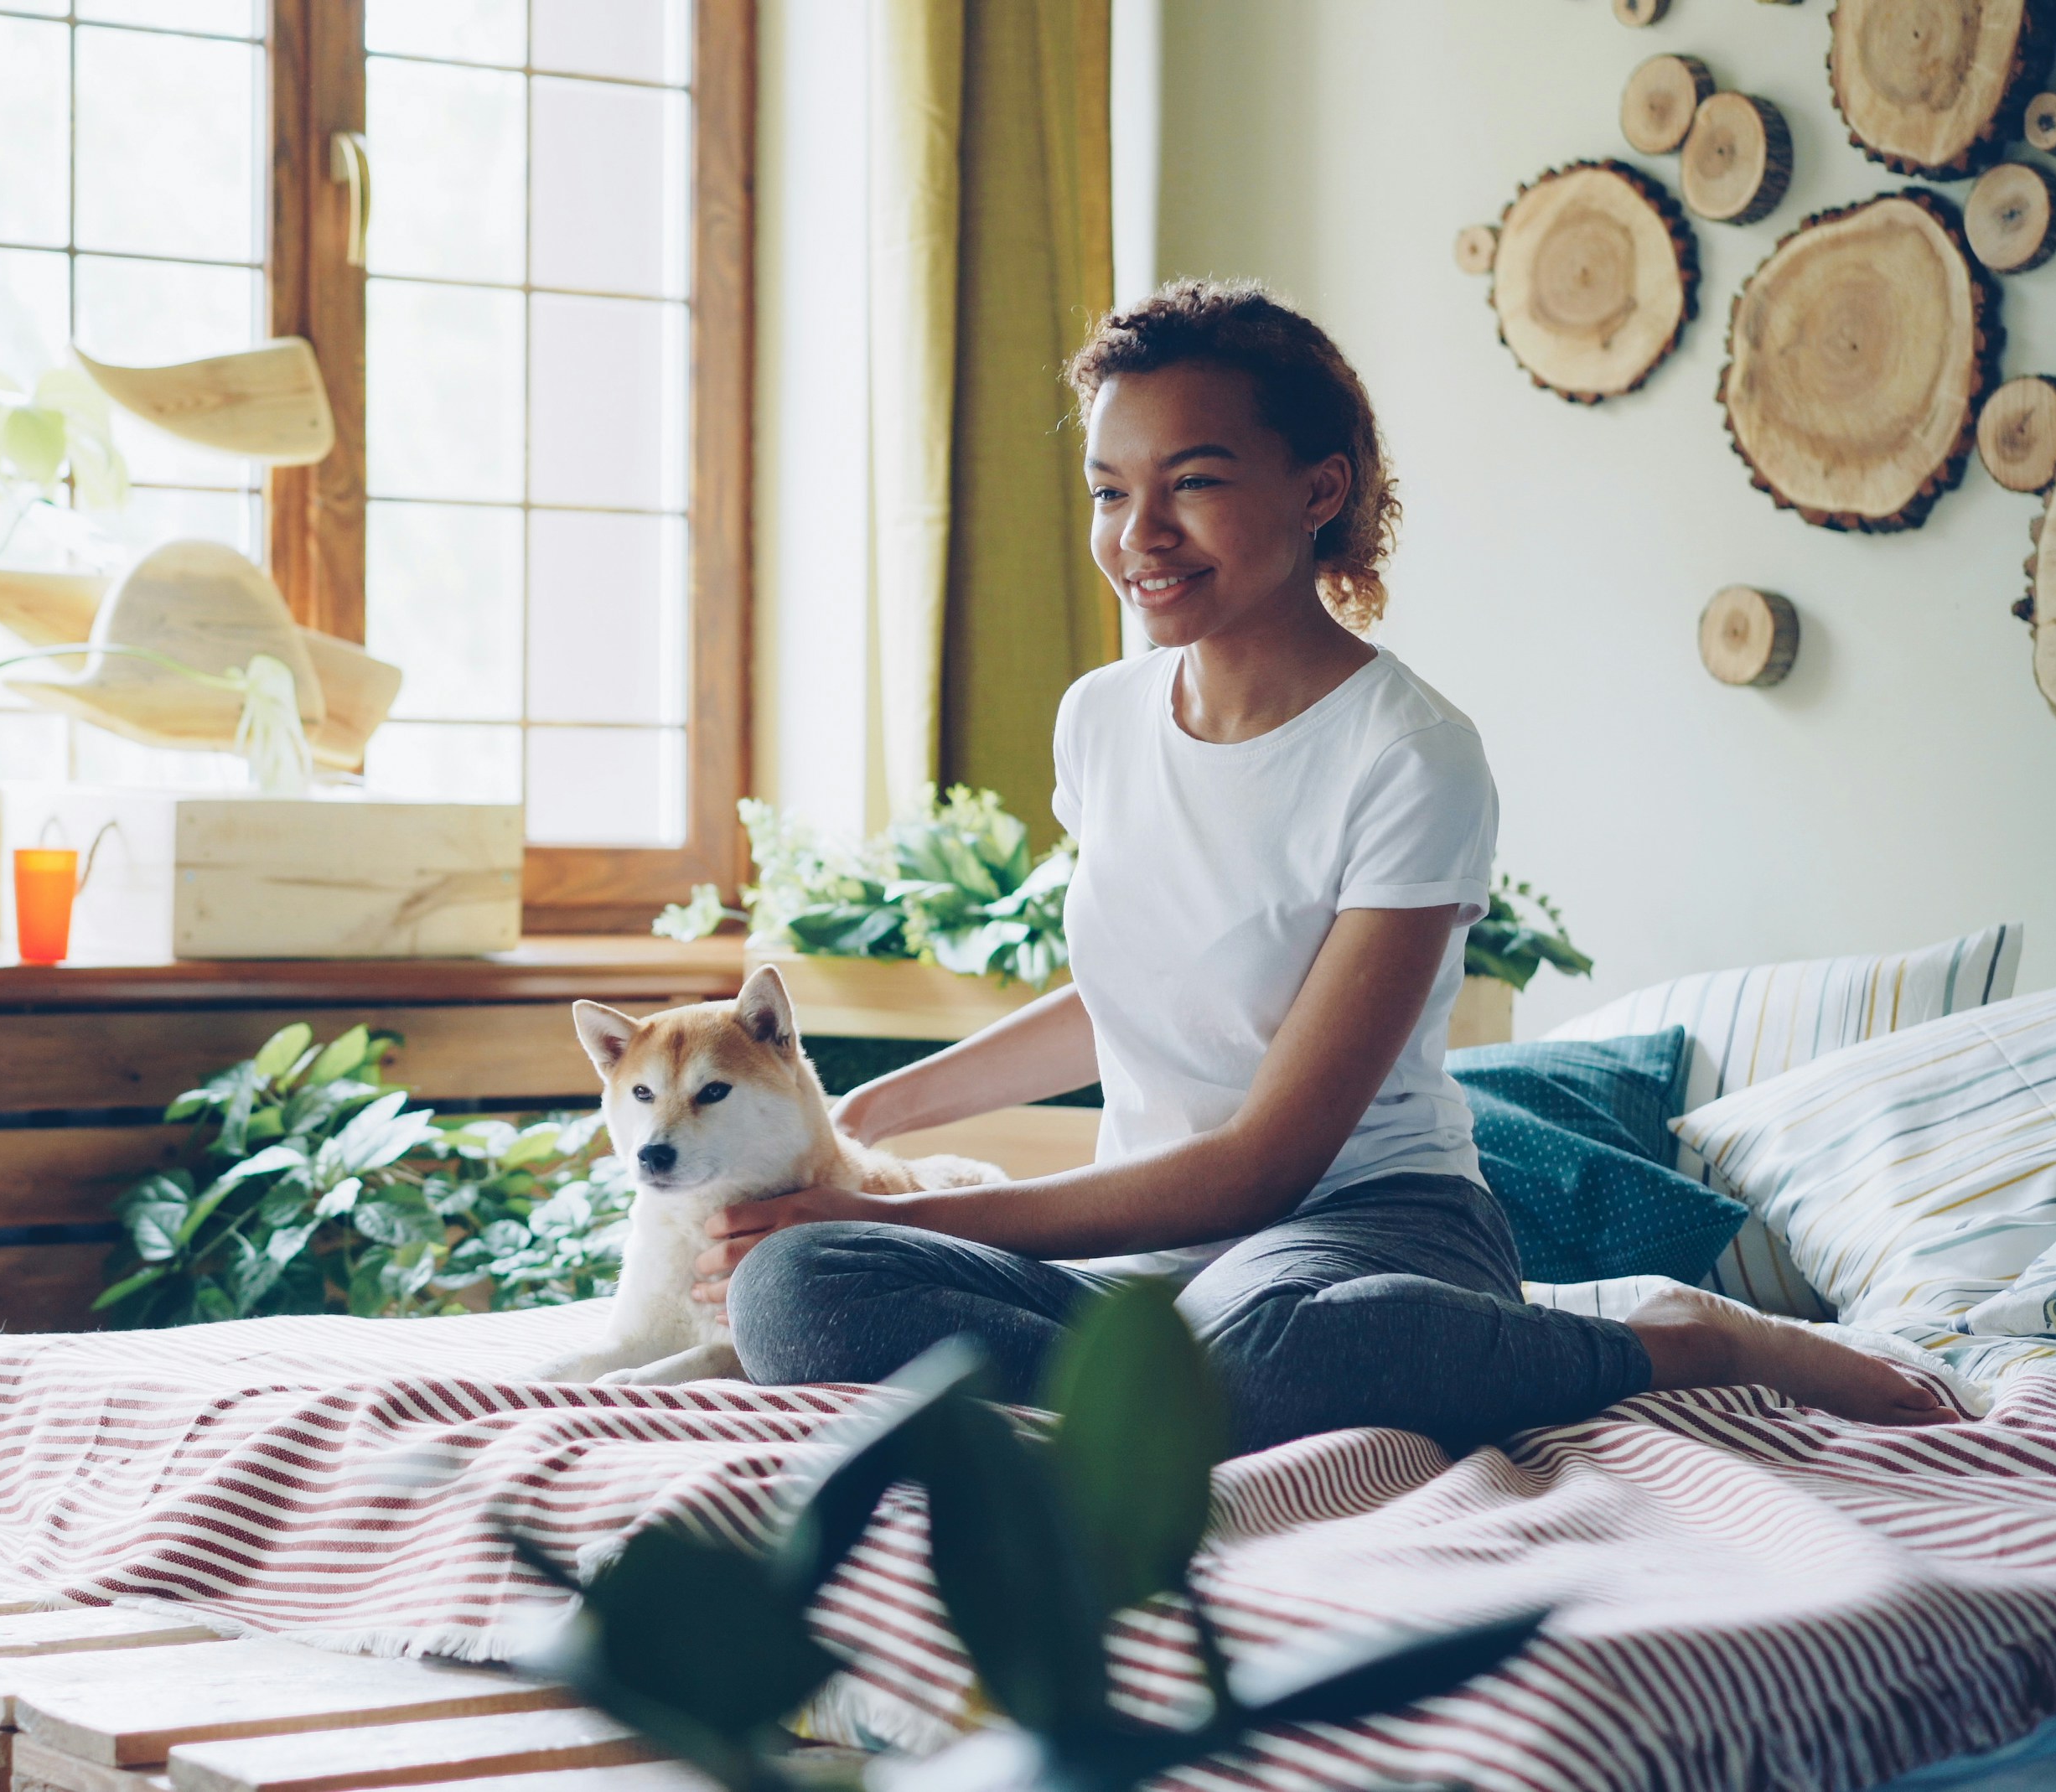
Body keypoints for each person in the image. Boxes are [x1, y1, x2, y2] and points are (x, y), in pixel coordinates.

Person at [704, 281, 1960, 1453]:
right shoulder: (1100, 719)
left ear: (1320, 489)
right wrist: (866, 1121)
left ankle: (1670, 1341)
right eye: (1107, 491)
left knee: (1269, 1356)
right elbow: (1143, 991)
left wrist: (902, 1216)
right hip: (1154, 1260)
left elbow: (1264, 1165)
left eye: (1192, 482)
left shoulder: (1410, 753)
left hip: (1365, 1228)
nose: (1140, 534)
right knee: (794, 1293)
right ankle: (1154, 1380)